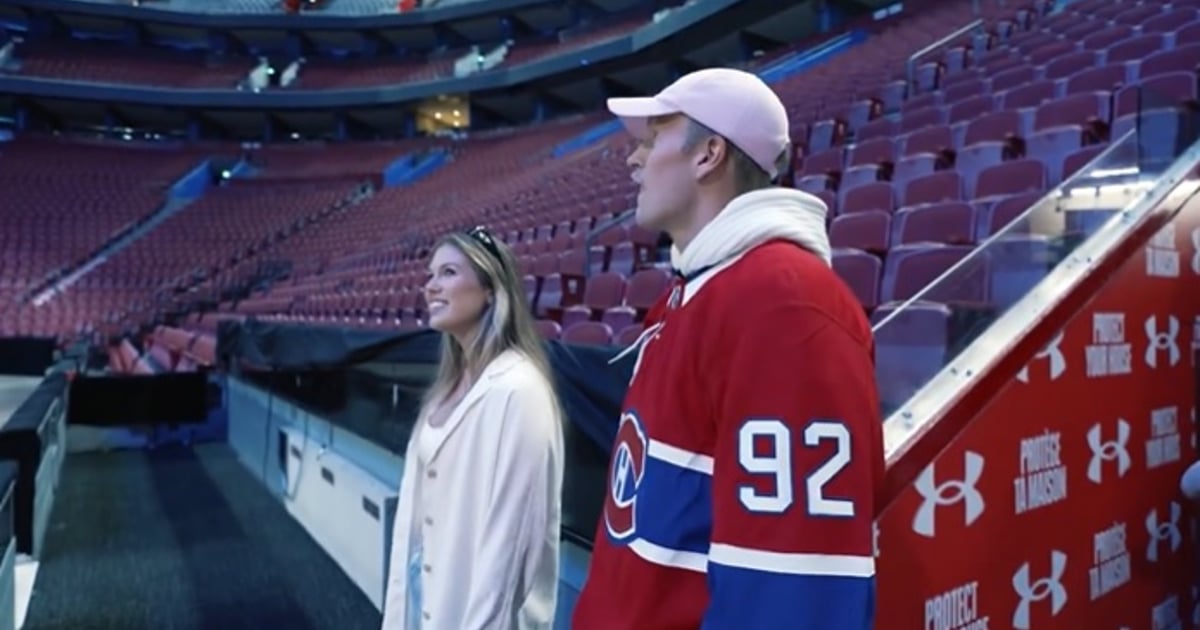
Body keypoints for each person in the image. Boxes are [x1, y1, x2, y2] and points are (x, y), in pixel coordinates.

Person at [571, 67, 884, 629]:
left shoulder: (785, 305)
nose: (633, 160)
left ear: (708, 153)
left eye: (651, 139)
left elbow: (792, 589)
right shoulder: (696, 291)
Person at [381, 227, 564, 630]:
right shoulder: (448, 384)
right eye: (430, 275)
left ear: (490, 290)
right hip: (426, 599)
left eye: (447, 272)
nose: (430, 287)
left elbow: (510, 548)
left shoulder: (519, 390)